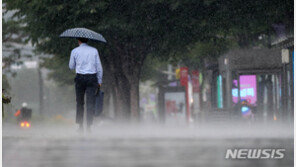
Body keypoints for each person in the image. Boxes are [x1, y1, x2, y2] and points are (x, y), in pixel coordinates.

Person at [69, 38, 103, 132]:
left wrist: (79, 63)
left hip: (80, 78)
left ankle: (80, 126)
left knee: (80, 103)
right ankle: (89, 126)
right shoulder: (94, 51)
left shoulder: (74, 51)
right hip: (92, 78)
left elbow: (71, 66)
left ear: (78, 40)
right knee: (90, 103)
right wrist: (99, 81)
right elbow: (99, 67)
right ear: (87, 40)